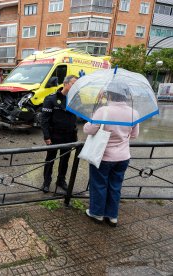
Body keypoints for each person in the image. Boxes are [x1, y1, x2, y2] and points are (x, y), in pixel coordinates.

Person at [84, 84, 139, 227]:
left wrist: (89, 121)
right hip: (123, 157)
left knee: (99, 185)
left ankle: (97, 213)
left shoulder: (103, 111)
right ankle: (112, 216)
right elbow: (134, 135)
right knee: (115, 186)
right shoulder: (134, 112)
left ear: (110, 95)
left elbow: (89, 130)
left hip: (103, 156)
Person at [41, 75, 78, 193]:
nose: (75, 86)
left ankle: (61, 180)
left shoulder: (76, 99)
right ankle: (46, 181)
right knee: (50, 160)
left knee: (65, 161)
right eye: (73, 83)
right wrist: (46, 136)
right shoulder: (51, 99)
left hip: (69, 136)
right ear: (65, 84)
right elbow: (44, 119)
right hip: (54, 135)